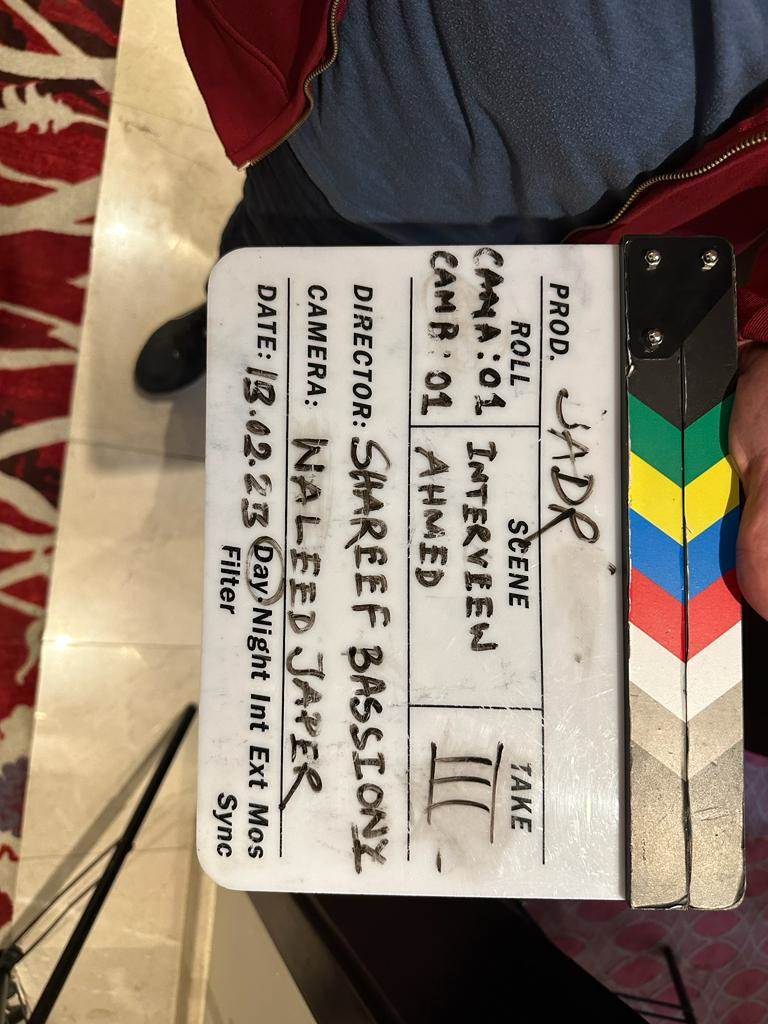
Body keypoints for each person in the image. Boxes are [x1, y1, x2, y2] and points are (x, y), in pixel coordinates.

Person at [134, 0, 768, 620]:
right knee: (262, 268)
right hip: (341, 116)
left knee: (403, 411)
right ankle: (226, 328)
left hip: (554, 264)